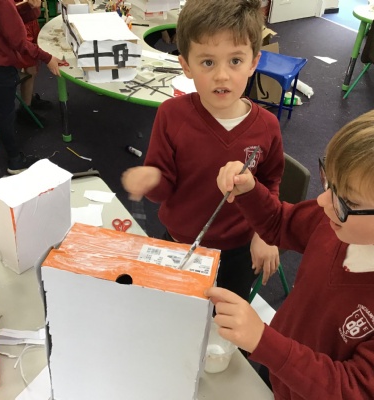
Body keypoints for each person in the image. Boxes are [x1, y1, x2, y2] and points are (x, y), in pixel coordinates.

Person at [122, 0, 284, 301]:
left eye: (235, 61)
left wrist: (265, 233)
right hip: (179, 244)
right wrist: (151, 179)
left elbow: (270, 183)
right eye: (208, 63)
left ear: (253, 62)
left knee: (223, 321)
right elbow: (163, 189)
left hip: (237, 251)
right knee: (172, 311)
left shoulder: (267, 126)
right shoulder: (171, 115)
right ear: (186, 66)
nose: (222, 75)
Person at [208, 109, 374, 399]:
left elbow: (352, 389)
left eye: (346, 200)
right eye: (329, 182)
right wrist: (249, 191)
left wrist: (264, 341)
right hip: (278, 358)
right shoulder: (332, 220)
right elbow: (280, 224)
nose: (322, 200)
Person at [0, 0, 61, 175]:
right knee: (5, 113)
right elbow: (18, 41)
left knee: (4, 110)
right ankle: (15, 161)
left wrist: (25, 8)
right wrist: (47, 57)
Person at [15, 0, 53, 121]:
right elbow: (5, 9)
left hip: (30, 21)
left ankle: (29, 98)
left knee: (34, 64)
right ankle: (25, 109)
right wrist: (27, 5)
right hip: (19, 25)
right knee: (30, 66)